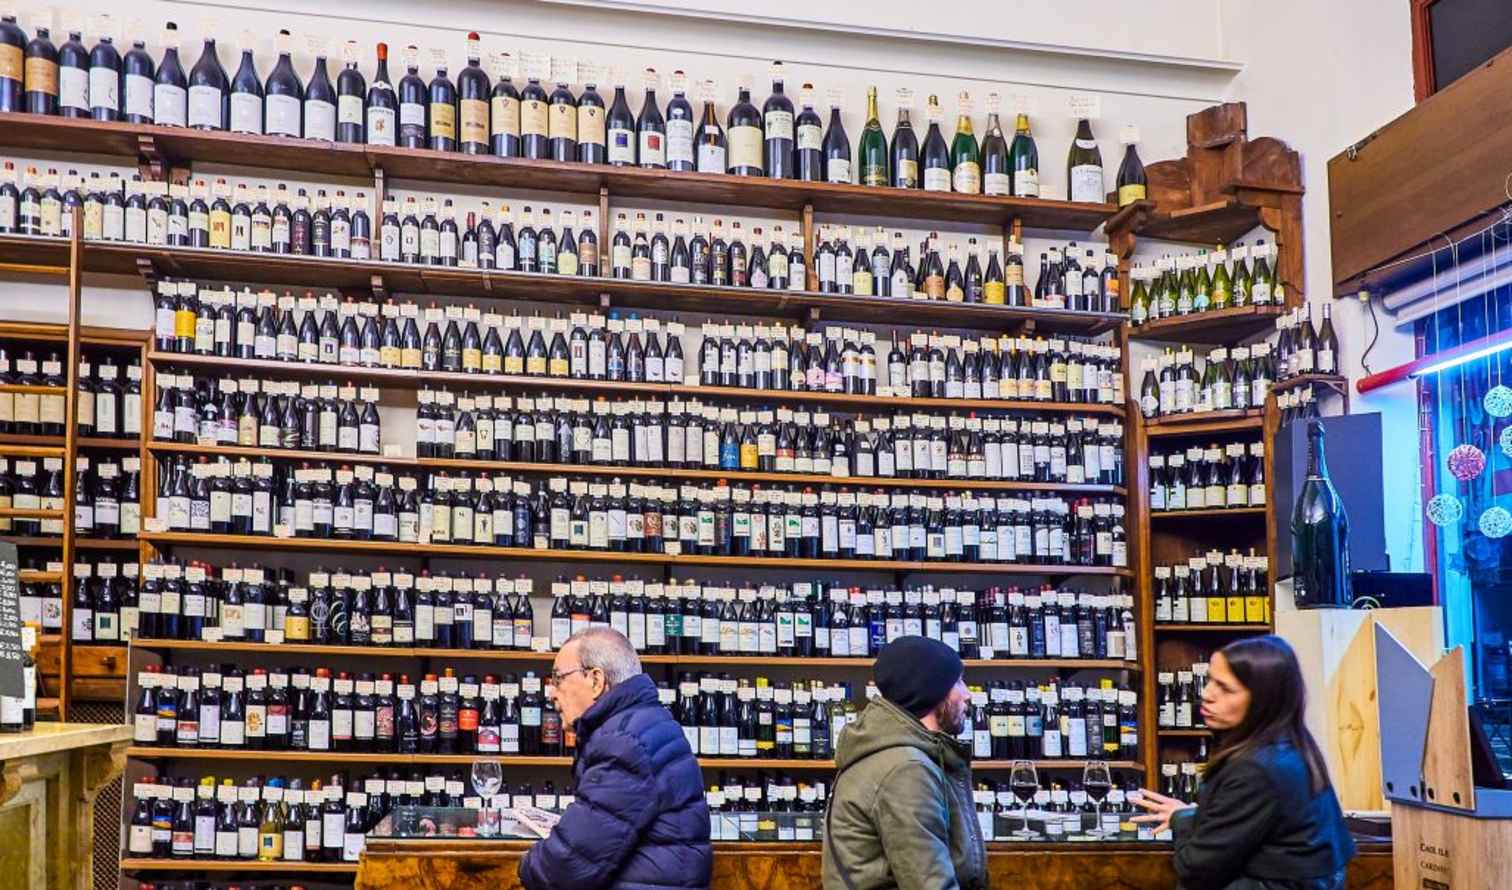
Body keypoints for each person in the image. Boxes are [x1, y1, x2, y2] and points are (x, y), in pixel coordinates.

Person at [1134, 635, 1356, 890]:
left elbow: (1195, 868)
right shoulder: (1292, 746)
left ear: (1263, 700)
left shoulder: (1256, 769)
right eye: (1209, 681)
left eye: (1225, 688)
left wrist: (1184, 821)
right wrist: (1187, 815)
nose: (1206, 694)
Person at [518, 627, 711, 890]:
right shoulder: (642, 723)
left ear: (596, 681)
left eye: (558, 678)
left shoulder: (624, 742)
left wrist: (522, 864)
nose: (551, 692)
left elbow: (566, 869)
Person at [822, 635, 987, 890]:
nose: (967, 695)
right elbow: (930, 884)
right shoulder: (906, 770)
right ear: (932, 691)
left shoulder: (894, 753)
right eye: (958, 682)